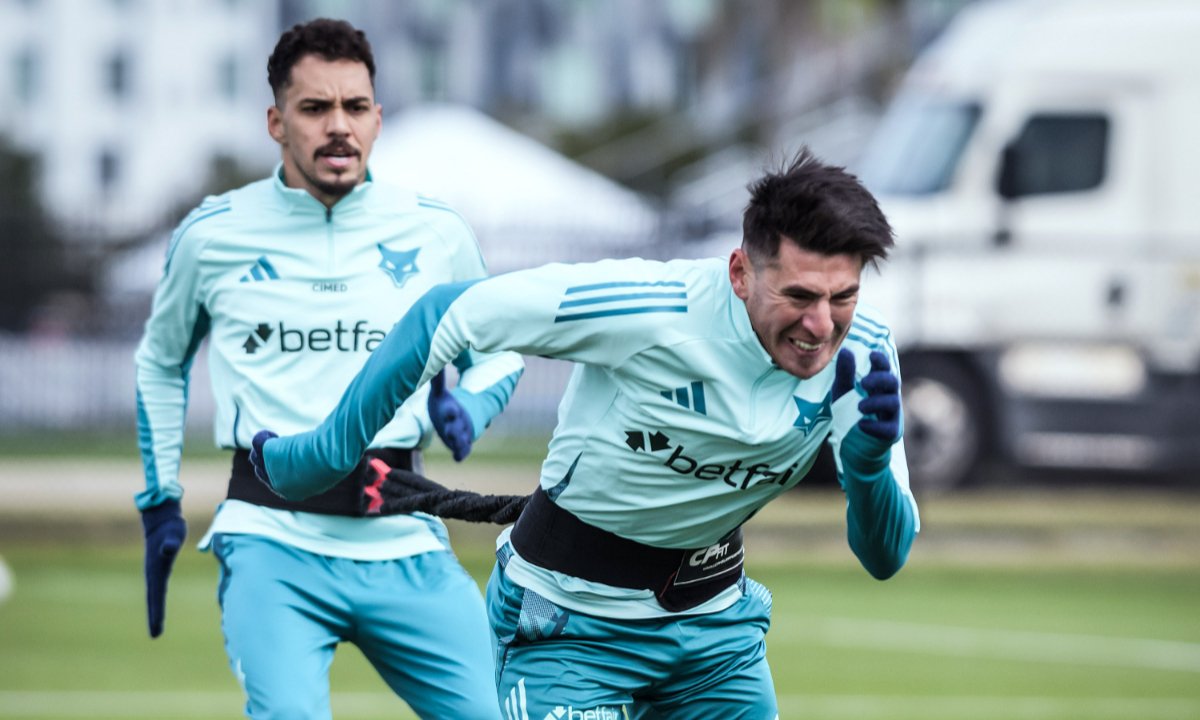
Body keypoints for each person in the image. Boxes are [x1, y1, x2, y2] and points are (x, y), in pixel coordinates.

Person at [251, 149, 920, 718]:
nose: (822, 326)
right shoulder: (650, 308)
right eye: (799, 296)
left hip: (716, 634)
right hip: (565, 629)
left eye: (844, 296)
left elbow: (884, 557)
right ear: (741, 272)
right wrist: (323, 453)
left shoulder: (865, 354)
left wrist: (864, 471)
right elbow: (442, 315)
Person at [134, 18, 523, 720]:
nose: (337, 126)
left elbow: (501, 347)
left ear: (378, 118)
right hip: (270, 539)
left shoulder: (435, 230)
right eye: (314, 108)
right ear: (277, 121)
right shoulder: (212, 233)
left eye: (354, 107)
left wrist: (473, 406)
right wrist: (159, 499)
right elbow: (161, 363)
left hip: (405, 533)